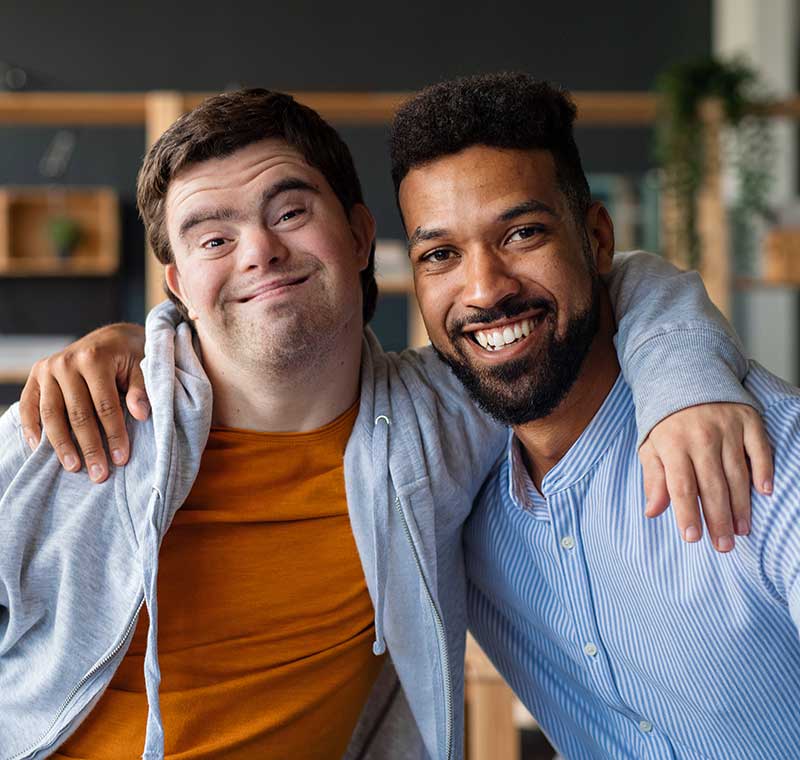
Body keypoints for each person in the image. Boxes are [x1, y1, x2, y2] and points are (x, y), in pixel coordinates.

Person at [3, 86, 769, 759]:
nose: (260, 252)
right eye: (214, 238)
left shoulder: (442, 419)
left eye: (290, 211)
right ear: (178, 283)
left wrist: (685, 384)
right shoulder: (74, 428)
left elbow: (607, 281)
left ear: (363, 236)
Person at [389, 72, 800, 759]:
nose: (485, 288)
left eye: (522, 233)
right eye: (441, 255)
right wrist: (147, 347)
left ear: (597, 239)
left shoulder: (762, 451)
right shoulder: (446, 476)